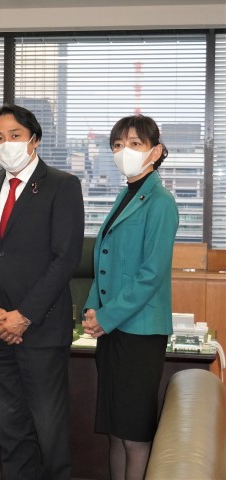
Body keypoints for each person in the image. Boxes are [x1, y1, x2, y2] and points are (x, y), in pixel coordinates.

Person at [0, 104, 84, 480]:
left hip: (41, 329)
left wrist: (24, 315)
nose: (6, 144)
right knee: (9, 427)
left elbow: (65, 258)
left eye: (14, 135)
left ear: (35, 139)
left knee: (49, 430)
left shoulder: (62, 185)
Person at [82, 115, 178, 480]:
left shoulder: (161, 201)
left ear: (155, 151)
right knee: (115, 429)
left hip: (140, 332)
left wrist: (106, 317)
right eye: (118, 145)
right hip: (113, 330)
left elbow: (151, 273)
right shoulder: (126, 193)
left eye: (135, 144)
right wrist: (92, 307)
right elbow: (103, 260)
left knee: (134, 435)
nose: (125, 151)